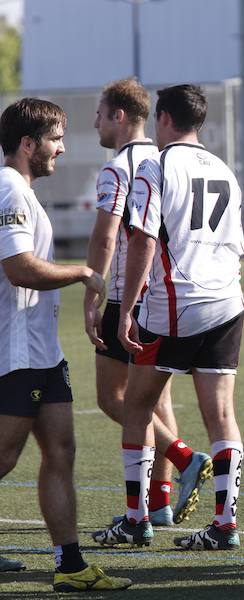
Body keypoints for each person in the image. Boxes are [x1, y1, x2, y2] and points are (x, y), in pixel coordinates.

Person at [92, 84, 244, 552]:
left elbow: (142, 241)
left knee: (134, 405)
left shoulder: (156, 166)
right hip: (227, 302)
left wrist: (127, 310)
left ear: (162, 118)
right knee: (221, 414)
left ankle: (137, 519)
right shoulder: (225, 169)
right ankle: (225, 526)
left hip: (176, 305)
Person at [0, 97, 131, 592]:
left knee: (61, 449)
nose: (60, 147)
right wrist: (82, 273)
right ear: (28, 144)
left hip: (43, 353)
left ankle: (70, 564)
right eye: (55, 138)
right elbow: (19, 268)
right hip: (16, 352)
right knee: (5, 455)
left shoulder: (23, 192)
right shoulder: (9, 190)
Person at [84, 77, 210, 528]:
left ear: (120, 115)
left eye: (100, 113)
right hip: (163, 296)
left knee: (113, 398)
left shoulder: (118, 167)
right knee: (158, 400)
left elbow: (107, 236)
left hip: (124, 294)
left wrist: (91, 296)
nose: (95, 121)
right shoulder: (164, 158)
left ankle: (184, 458)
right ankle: (158, 503)